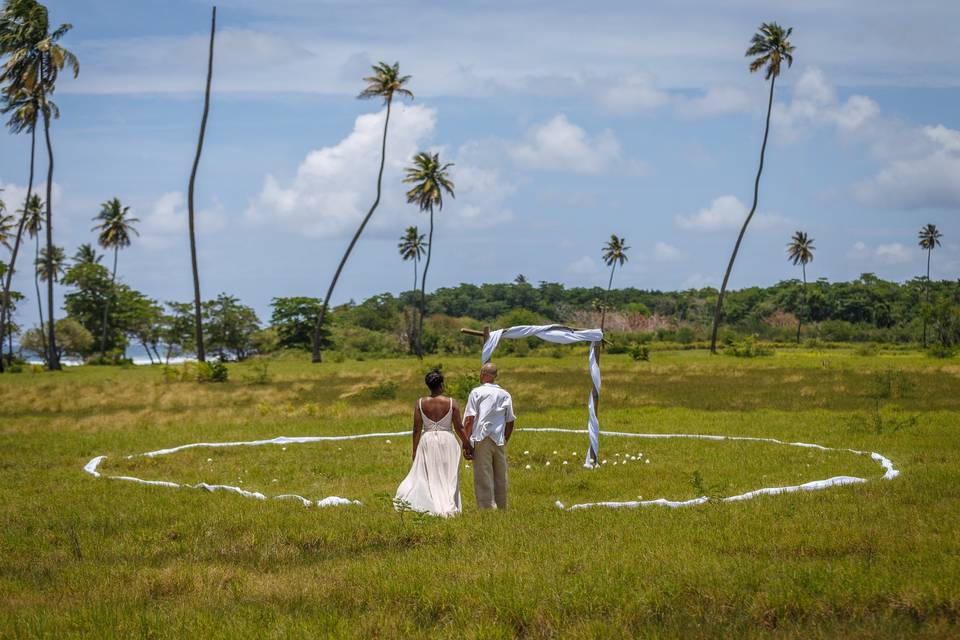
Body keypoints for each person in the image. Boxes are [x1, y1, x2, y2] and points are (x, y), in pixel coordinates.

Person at [394, 369, 473, 517]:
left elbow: (417, 429)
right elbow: (459, 427)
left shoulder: (420, 403)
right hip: (447, 441)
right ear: (442, 385)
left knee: (430, 474)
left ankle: (433, 502)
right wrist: (467, 444)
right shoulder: (451, 402)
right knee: (449, 475)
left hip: (427, 440)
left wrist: (415, 449)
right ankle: (449, 503)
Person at [463, 362, 516, 510]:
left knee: (483, 474)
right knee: (500, 474)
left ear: (483, 374)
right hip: (498, 439)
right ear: (495, 376)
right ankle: (501, 506)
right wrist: (505, 439)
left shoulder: (476, 392)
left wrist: (466, 442)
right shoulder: (505, 394)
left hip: (481, 438)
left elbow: (469, 419)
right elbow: (510, 421)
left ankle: (487, 508)